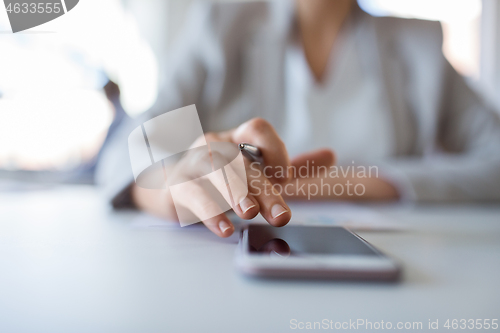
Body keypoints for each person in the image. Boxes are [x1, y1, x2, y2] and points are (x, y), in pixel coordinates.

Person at [96, 0, 500, 238]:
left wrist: (358, 182)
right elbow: (125, 151)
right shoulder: (222, 28)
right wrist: (168, 189)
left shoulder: (418, 46)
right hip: (228, 257)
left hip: (389, 252)